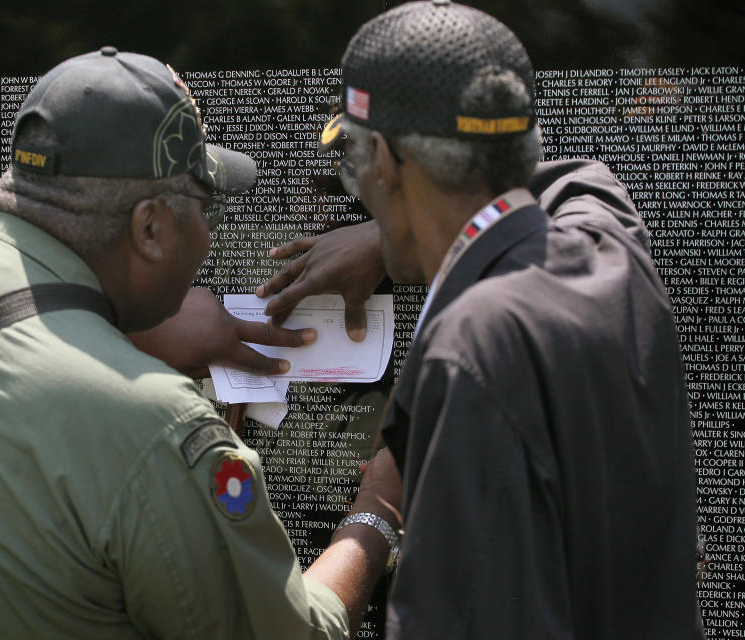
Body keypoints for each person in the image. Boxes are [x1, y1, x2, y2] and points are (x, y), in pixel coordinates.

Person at [0, 48, 402, 639]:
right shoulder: (157, 426)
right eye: (207, 208)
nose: (210, 237)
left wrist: (120, 321)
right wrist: (378, 512)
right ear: (150, 228)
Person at [258, 1, 701, 637]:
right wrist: (396, 234)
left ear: (383, 159)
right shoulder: (613, 253)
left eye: (354, 162)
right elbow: (585, 182)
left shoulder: (469, 351)